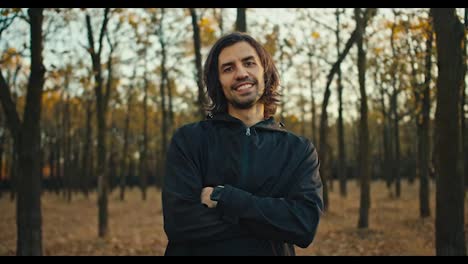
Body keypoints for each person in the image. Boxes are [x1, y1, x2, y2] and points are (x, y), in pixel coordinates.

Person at [162, 32, 323, 256]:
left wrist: (226, 198)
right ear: (217, 81)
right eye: (228, 68)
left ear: (265, 72)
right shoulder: (190, 140)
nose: (241, 73)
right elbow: (180, 224)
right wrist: (273, 221)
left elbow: (304, 225)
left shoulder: (298, 150)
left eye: (249, 63)